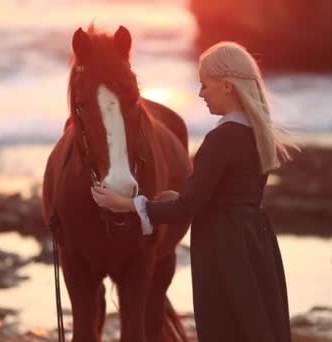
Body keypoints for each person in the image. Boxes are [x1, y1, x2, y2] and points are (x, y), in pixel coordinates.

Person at [91, 41, 297, 342]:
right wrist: (179, 198)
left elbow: (186, 211)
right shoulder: (255, 133)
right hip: (255, 238)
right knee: (254, 324)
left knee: (224, 326)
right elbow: (230, 196)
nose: (201, 94)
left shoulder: (222, 138)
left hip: (223, 245)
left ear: (227, 86)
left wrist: (127, 204)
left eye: (205, 85)